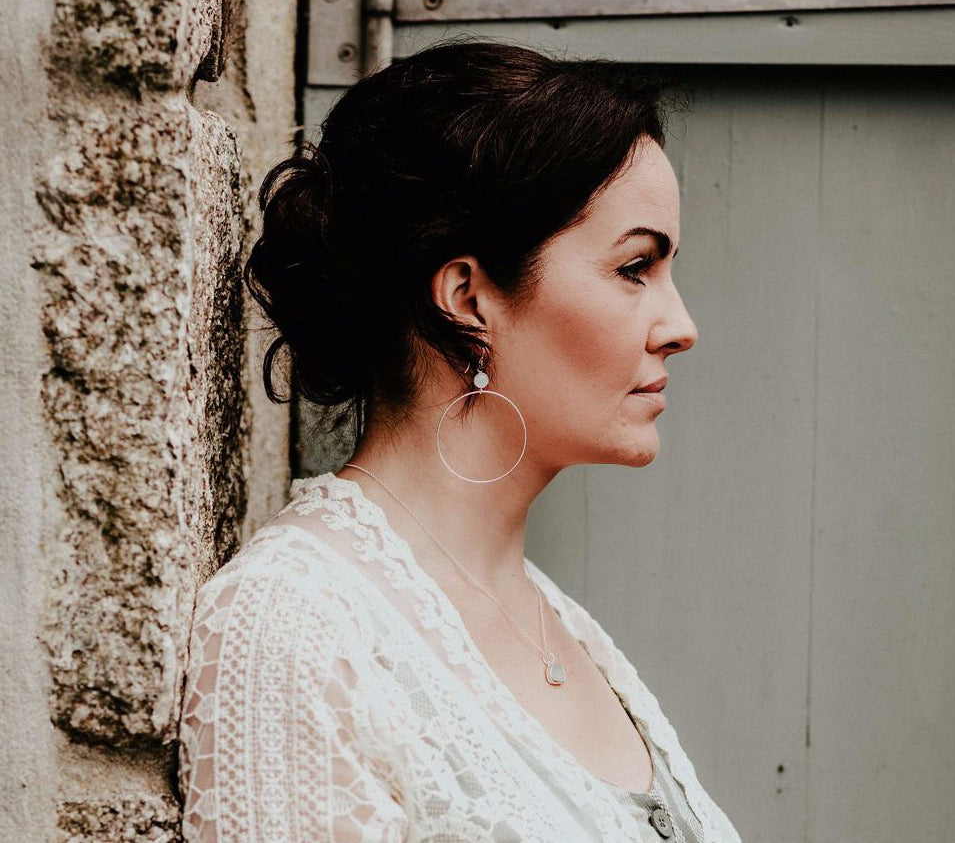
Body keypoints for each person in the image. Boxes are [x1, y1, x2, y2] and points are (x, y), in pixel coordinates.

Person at [178, 41, 742, 842]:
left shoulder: (560, 625)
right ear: (468, 297)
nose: (680, 328)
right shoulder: (296, 631)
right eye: (633, 268)